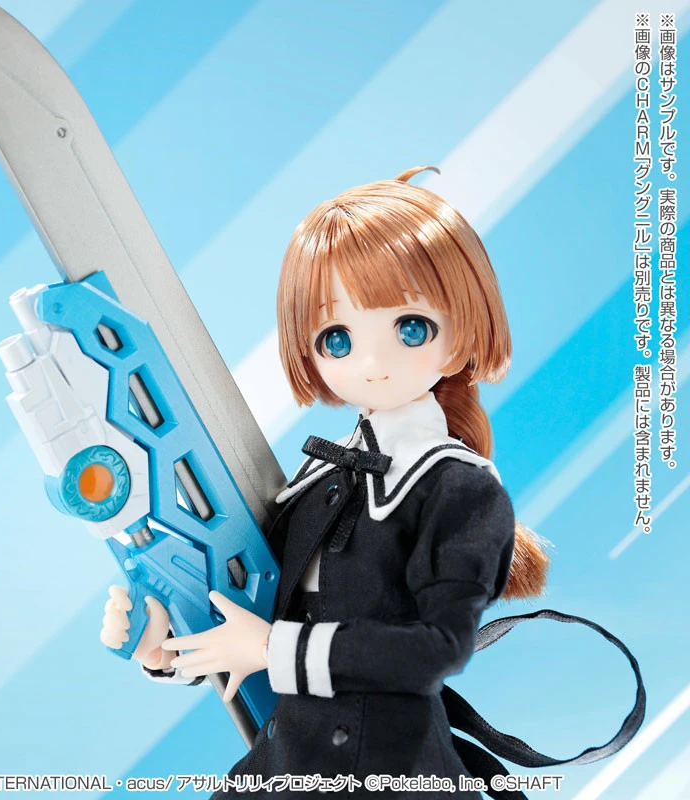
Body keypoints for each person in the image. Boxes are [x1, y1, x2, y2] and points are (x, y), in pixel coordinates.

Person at [101, 167, 556, 798]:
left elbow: (438, 649)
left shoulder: (457, 488)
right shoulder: (321, 479)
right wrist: (170, 647)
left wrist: (273, 649)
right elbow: (257, 614)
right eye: (337, 338)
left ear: (459, 339)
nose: (371, 362)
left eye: (410, 328)